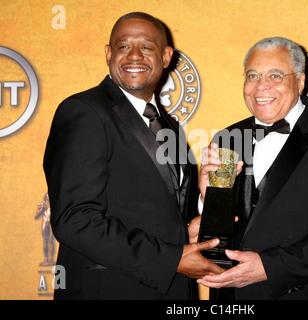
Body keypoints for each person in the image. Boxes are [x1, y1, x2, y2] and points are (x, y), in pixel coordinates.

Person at [43, 12, 223, 300]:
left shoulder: (169, 126)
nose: (134, 56)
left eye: (147, 47)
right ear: (108, 54)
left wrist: (194, 221)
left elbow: (160, 211)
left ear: (166, 57)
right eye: (123, 46)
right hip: (108, 289)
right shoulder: (83, 112)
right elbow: (74, 219)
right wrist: (171, 259)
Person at [197, 37, 308, 300]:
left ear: (301, 81)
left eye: (275, 75)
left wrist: (270, 267)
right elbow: (224, 231)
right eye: (253, 75)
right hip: (233, 298)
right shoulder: (227, 138)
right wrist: (209, 199)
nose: (262, 86)